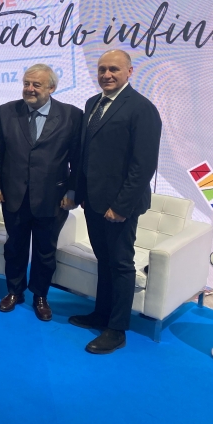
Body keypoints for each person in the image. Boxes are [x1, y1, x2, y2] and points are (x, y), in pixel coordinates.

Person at [71, 49, 162, 354]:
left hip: (119, 207)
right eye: (102, 69)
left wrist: (121, 206)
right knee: (105, 261)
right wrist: (80, 194)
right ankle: (101, 314)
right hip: (94, 202)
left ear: (129, 72)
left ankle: (117, 328)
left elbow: (143, 165)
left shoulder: (142, 108)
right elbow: (87, 155)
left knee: (121, 264)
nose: (106, 75)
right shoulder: (92, 103)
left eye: (113, 69)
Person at [0, 64, 82, 321]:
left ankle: (40, 296)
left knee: (45, 251)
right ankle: (14, 291)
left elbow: (78, 159)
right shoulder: (6, 112)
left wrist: (73, 191)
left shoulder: (72, 115)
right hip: (13, 195)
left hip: (54, 198)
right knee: (14, 247)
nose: (29, 89)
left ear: (51, 88)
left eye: (36, 85)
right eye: (26, 83)